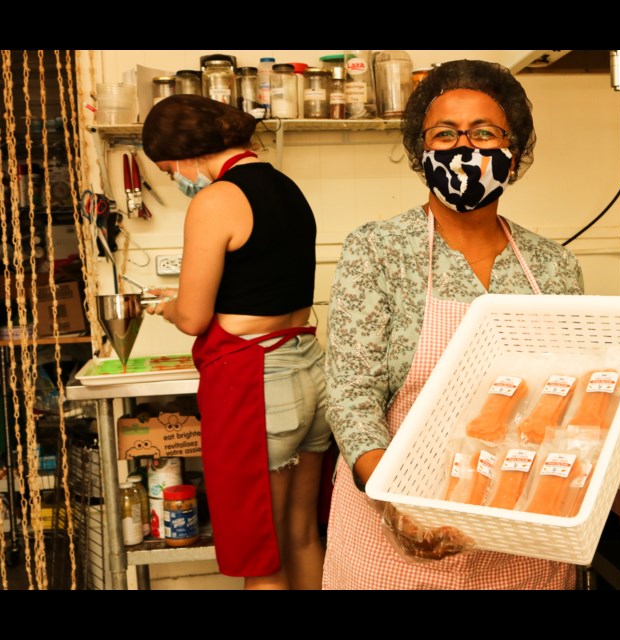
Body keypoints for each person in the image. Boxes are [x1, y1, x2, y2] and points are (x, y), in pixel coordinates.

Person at [323, 59, 584, 589]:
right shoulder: (377, 250)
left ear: (513, 153)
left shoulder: (552, 265)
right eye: (445, 133)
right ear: (422, 152)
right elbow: (352, 395)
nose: (465, 148)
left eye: (484, 133)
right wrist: (396, 504)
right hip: (394, 518)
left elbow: (569, 400)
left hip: (517, 527)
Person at [140, 94, 331, 590]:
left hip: (258, 386)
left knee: (259, 557)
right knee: (302, 536)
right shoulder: (286, 187)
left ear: (185, 153)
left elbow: (194, 317)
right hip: (309, 373)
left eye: (168, 170)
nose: (175, 181)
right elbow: (259, 283)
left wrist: (168, 306)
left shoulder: (216, 199)